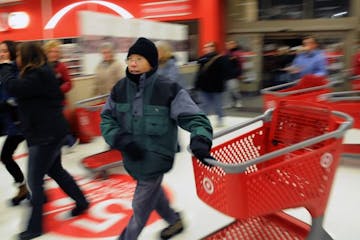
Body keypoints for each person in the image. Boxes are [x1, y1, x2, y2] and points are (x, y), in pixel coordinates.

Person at [100, 37, 214, 240]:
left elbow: (195, 117)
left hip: (155, 160)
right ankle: (174, 220)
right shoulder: (119, 89)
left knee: (139, 209)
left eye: (139, 58)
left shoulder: (167, 88)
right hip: (132, 159)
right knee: (154, 194)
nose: (133, 63)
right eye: (130, 58)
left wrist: (200, 139)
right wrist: (119, 138)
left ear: (151, 62)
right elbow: (107, 118)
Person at [0, 42, 89, 240]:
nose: (16, 59)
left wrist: (5, 67)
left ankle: (35, 227)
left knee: (34, 181)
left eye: (18, 55)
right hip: (48, 133)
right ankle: (82, 202)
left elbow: (13, 87)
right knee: (56, 171)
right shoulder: (42, 72)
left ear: (27, 56)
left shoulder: (37, 74)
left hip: (44, 137)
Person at [0, 40, 28, 206]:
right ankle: (25, 187)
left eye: (4, 50)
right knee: (6, 156)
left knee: (5, 156)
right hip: (10, 122)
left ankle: (25, 188)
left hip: (19, 123)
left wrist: (4, 104)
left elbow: (13, 97)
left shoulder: (13, 69)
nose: (1, 53)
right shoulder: (4, 69)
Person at [43, 40, 79, 151]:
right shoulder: (42, 66)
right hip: (46, 102)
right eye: (51, 51)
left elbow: (69, 83)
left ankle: (70, 141)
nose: (54, 54)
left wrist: (59, 90)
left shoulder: (62, 66)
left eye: (56, 51)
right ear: (47, 52)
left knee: (60, 124)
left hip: (59, 102)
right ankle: (66, 142)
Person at [195, 41, 233, 127]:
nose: (206, 49)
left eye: (208, 47)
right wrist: (197, 84)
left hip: (216, 87)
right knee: (204, 105)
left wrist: (222, 81)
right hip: (204, 87)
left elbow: (226, 72)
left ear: (213, 48)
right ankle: (202, 121)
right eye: (205, 47)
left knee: (218, 105)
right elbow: (199, 73)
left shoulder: (221, 59)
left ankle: (220, 120)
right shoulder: (202, 59)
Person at [224, 40, 243, 108]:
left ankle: (239, 101)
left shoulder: (237, 53)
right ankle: (230, 103)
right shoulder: (226, 54)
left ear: (235, 45)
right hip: (227, 75)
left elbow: (240, 65)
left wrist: (239, 74)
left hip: (234, 75)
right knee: (228, 91)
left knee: (235, 90)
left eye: (231, 44)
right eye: (228, 44)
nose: (229, 45)